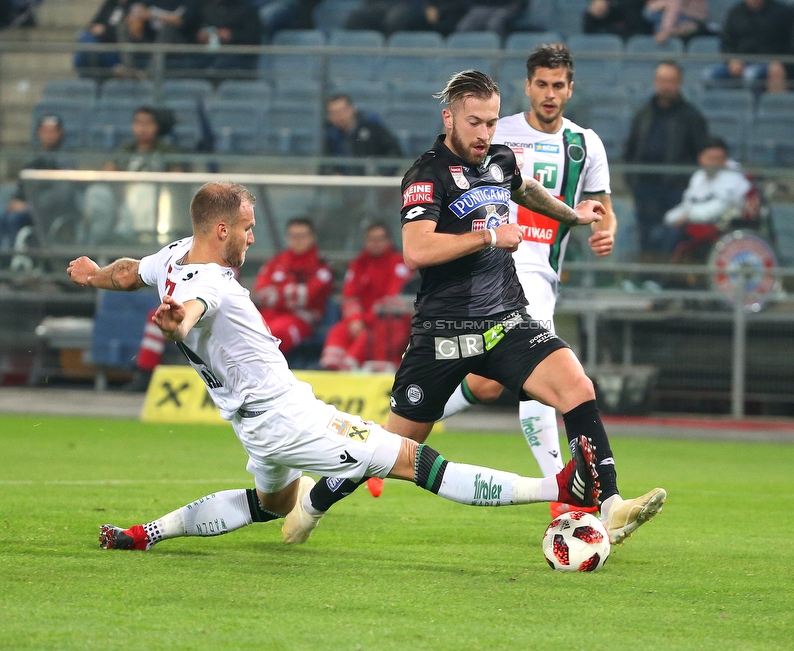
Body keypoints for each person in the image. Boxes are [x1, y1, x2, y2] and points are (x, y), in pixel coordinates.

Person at [67, 181, 601, 551]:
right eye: (248, 228)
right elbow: (192, 312)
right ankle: (558, 488)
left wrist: (94, 276)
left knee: (274, 503)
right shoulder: (210, 284)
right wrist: (177, 323)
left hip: (252, 424)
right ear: (223, 229)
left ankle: (147, 533)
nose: (254, 237)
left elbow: (130, 271)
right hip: (288, 418)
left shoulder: (176, 257)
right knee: (415, 462)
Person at [290, 70, 667, 547]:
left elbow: (525, 189)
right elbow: (417, 250)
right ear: (448, 117)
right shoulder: (426, 175)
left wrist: (572, 215)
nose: (486, 133)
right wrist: (489, 236)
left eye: (491, 122)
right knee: (392, 449)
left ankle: (611, 506)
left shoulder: (500, 159)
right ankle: (312, 502)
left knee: (576, 384)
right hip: (443, 333)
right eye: (475, 122)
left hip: (507, 319)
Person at [428, 45, 617, 519]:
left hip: (545, 273)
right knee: (547, 377)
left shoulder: (586, 144)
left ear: (570, 89)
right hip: (503, 268)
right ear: (528, 86)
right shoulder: (497, 131)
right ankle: (567, 501)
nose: (549, 94)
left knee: (487, 386)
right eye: (541, 84)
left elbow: (601, 206)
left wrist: (604, 228)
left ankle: (392, 432)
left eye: (558, 85)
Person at [623, 61, 708, 259]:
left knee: (671, 237)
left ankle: (667, 279)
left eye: (671, 80)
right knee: (645, 236)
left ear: (679, 83)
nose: (666, 85)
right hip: (644, 188)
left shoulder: (691, 116)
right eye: (662, 80)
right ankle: (645, 279)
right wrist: (632, 181)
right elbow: (631, 149)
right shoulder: (643, 114)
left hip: (676, 190)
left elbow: (701, 154)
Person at [81, 106, 182, 244]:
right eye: (139, 123)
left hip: (153, 201)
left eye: (148, 123)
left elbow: (177, 178)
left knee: (141, 190)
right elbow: (108, 173)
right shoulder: (126, 149)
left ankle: (122, 236)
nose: (143, 128)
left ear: (157, 126)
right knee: (97, 192)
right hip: (121, 196)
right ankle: (94, 242)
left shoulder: (166, 151)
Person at [319, 222, 412, 370]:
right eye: (371, 239)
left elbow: (392, 301)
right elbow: (349, 296)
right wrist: (355, 320)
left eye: (379, 239)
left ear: (389, 241)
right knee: (337, 330)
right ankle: (329, 370)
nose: (375, 243)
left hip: (385, 324)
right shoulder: (358, 264)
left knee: (366, 337)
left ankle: (346, 371)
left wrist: (364, 321)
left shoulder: (398, 264)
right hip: (358, 321)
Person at [661, 136, 752, 260]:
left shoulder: (733, 178)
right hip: (695, 222)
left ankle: (665, 277)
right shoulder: (698, 177)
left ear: (725, 160)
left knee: (674, 235)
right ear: (701, 158)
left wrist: (688, 217)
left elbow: (719, 208)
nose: (714, 163)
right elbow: (688, 203)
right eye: (710, 159)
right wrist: (672, 218)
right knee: (659, 231)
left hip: (722, 228)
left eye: (718, 159)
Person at [254, 217, 334, 355]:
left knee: (274, 334)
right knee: (247, 330)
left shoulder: (321, 267)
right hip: (268, 314)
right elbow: (261, 294)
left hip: (301, 320)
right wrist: (291, 293)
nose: (298, 240)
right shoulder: (276, 262)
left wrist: (277, 293)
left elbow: (307, 297)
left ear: (312, 237)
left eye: (302, 236)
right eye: (293, 236)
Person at [1, 115, 74, 256]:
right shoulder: (33, 158)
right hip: (29, 208)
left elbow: (62, 194)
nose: (48, 135)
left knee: (14, 219)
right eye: (44, 131)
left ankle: (16, 259)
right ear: (38, 133)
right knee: (4, 215)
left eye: (52, 131)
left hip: (49, 212)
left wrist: (30, 206)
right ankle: (4, 262)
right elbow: (23, 185)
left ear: (60, 133)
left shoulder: (65, 159)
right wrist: (16, 200)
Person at [706, 0, 793, 92]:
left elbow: (789, 42)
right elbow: (726, 43)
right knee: (709, 75)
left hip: (769, 62)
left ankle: (751, 105)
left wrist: (779, 61)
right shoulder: (735, 12)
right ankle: (725, 105)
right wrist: (732, 60)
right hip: (740, 62)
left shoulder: (781, 12)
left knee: (750, 75)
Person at [322, 93, 402, 173]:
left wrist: (382, 174)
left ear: (352, 109)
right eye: (334, 113)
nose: (340, 116)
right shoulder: (329, 136)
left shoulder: (373, 128)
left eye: (343, 110)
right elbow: (324, 165)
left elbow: (395, 153)